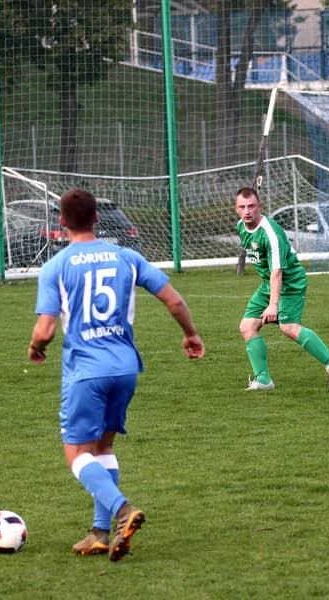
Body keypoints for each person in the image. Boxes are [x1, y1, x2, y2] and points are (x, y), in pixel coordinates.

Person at [28, 188, 205, 559]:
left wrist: (36, 347)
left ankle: (122, 509)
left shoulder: (56, 266)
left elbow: (45, 330)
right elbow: (174, 300)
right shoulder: (126, 256)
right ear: (97, 218)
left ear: (62, 222)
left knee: (77, 454)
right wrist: (190, 334)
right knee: (103, 448)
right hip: (125, 368)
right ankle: (99, 532)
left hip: (86, 371)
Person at [234, 186, 329, 390]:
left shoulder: (271, 234)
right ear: (236, 209)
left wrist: (273, 305)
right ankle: (264, 380)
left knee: (288, 327)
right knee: (247, 327)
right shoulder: (241, 227)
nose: (247, 211)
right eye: (242, 207)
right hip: (268, 284)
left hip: (290, 282)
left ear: (260, 207)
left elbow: (277, 271)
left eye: (251, 206)